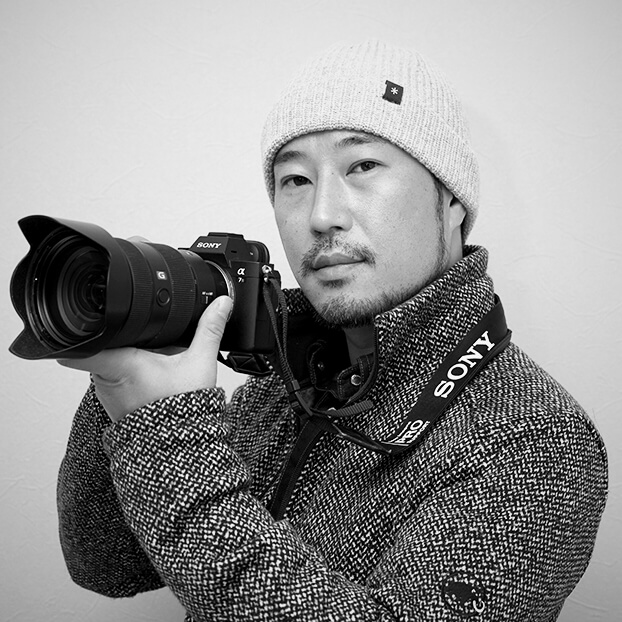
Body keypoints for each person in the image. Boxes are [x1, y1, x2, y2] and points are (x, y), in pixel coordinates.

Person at [56, 40, 607, 621]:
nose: (322, 215)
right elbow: (107, 566)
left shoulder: (536, 440)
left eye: (362, 166)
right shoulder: (282, 387)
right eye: (295, 180)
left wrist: (171, 440)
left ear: (451, 201)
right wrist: (121, 388)